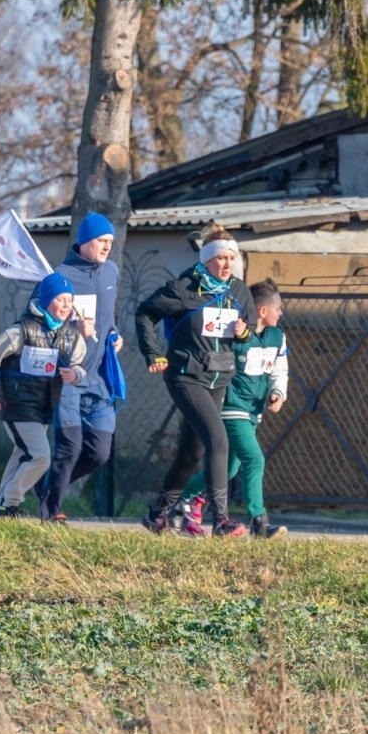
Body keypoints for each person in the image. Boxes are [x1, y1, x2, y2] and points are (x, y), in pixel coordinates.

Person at [134, 225, 257, 538]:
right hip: (185, 376)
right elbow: (145, 313)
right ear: (206, 261)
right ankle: (221, 521)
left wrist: (244, 331)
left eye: (232, 257)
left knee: (190, 454)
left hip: (219, 376)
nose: (228, 263)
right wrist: (153, 353)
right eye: (220, 258)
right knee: (219, 441)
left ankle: (156, 515)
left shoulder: (239, 291)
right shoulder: (184, 288)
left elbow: (250, 327)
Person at [179, 278, 290, 539]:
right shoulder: (234, 333)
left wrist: (277, 392)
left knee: (227, 470)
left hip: (253, 411)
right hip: (231, 408)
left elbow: (279, 370)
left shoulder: (277, 337)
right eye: (278, 308)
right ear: (262, 311)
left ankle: (183, 497)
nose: (281, 313)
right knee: (255, 459)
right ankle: (259, 522)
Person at [0, 273, 88, 518]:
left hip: (44, 408)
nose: (67, 305)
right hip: (18, 406)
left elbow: (80, 365)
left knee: (22, 454)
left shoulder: (71, 335)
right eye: (60, 299)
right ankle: (9, 503)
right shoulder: (21, 331)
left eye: (70, 300)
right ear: (46, 300)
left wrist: (75, 374)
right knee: (40, 457)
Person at [37, 212, 122, 522]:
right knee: (68, 447)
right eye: (101, 241)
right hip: (68, 376)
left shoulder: (111, 272)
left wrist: (115, 334)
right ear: (85, 242)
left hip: (100, 378)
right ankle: (51, 511)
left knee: (99, 453)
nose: (107, 247)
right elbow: (40, 326)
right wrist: (73, 331)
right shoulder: (60, 275)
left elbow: (109, 317)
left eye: (110, 242)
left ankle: (47, 487)